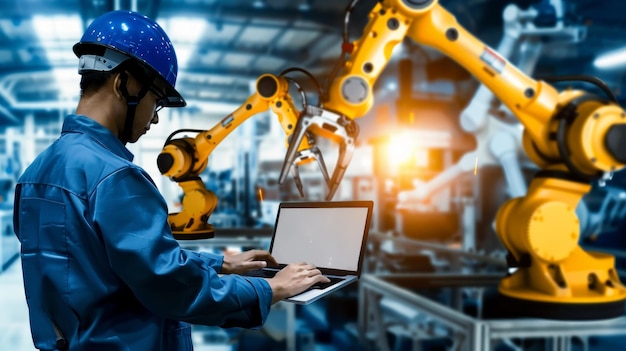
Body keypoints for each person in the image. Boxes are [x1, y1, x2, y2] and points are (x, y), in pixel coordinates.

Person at [12, 10, 329, 351]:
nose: (153, 119)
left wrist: (222, 263)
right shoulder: (116, 177)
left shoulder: (35, 175)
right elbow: (172, 286)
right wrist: (272, 288)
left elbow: (119, 265)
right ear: (126, 83)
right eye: (156, 100)